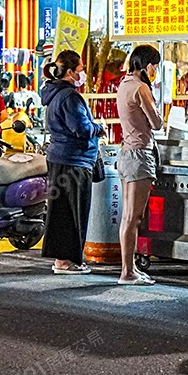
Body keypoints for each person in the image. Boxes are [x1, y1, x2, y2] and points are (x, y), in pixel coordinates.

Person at [40, 50, 105, 275]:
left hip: (58, 157)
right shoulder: (70, 97)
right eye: (81, 69)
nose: (83, 73)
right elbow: (82, 129)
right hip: (74, 161)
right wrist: (99, 127)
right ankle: (68, 261)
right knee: (74, 213)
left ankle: (61, 260)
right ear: (70, 72)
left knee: (62, 212)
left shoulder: (55, 94)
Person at [116, 44, 164, 286]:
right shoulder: (141, 88)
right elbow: (156, 123)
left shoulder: (124, 85)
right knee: (134, 218)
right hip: (139, 156)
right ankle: (127, 272)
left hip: (125, 154)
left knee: (127, 216)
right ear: (147, 65)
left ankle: (130, 268)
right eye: (155, 65)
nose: (155, 70)